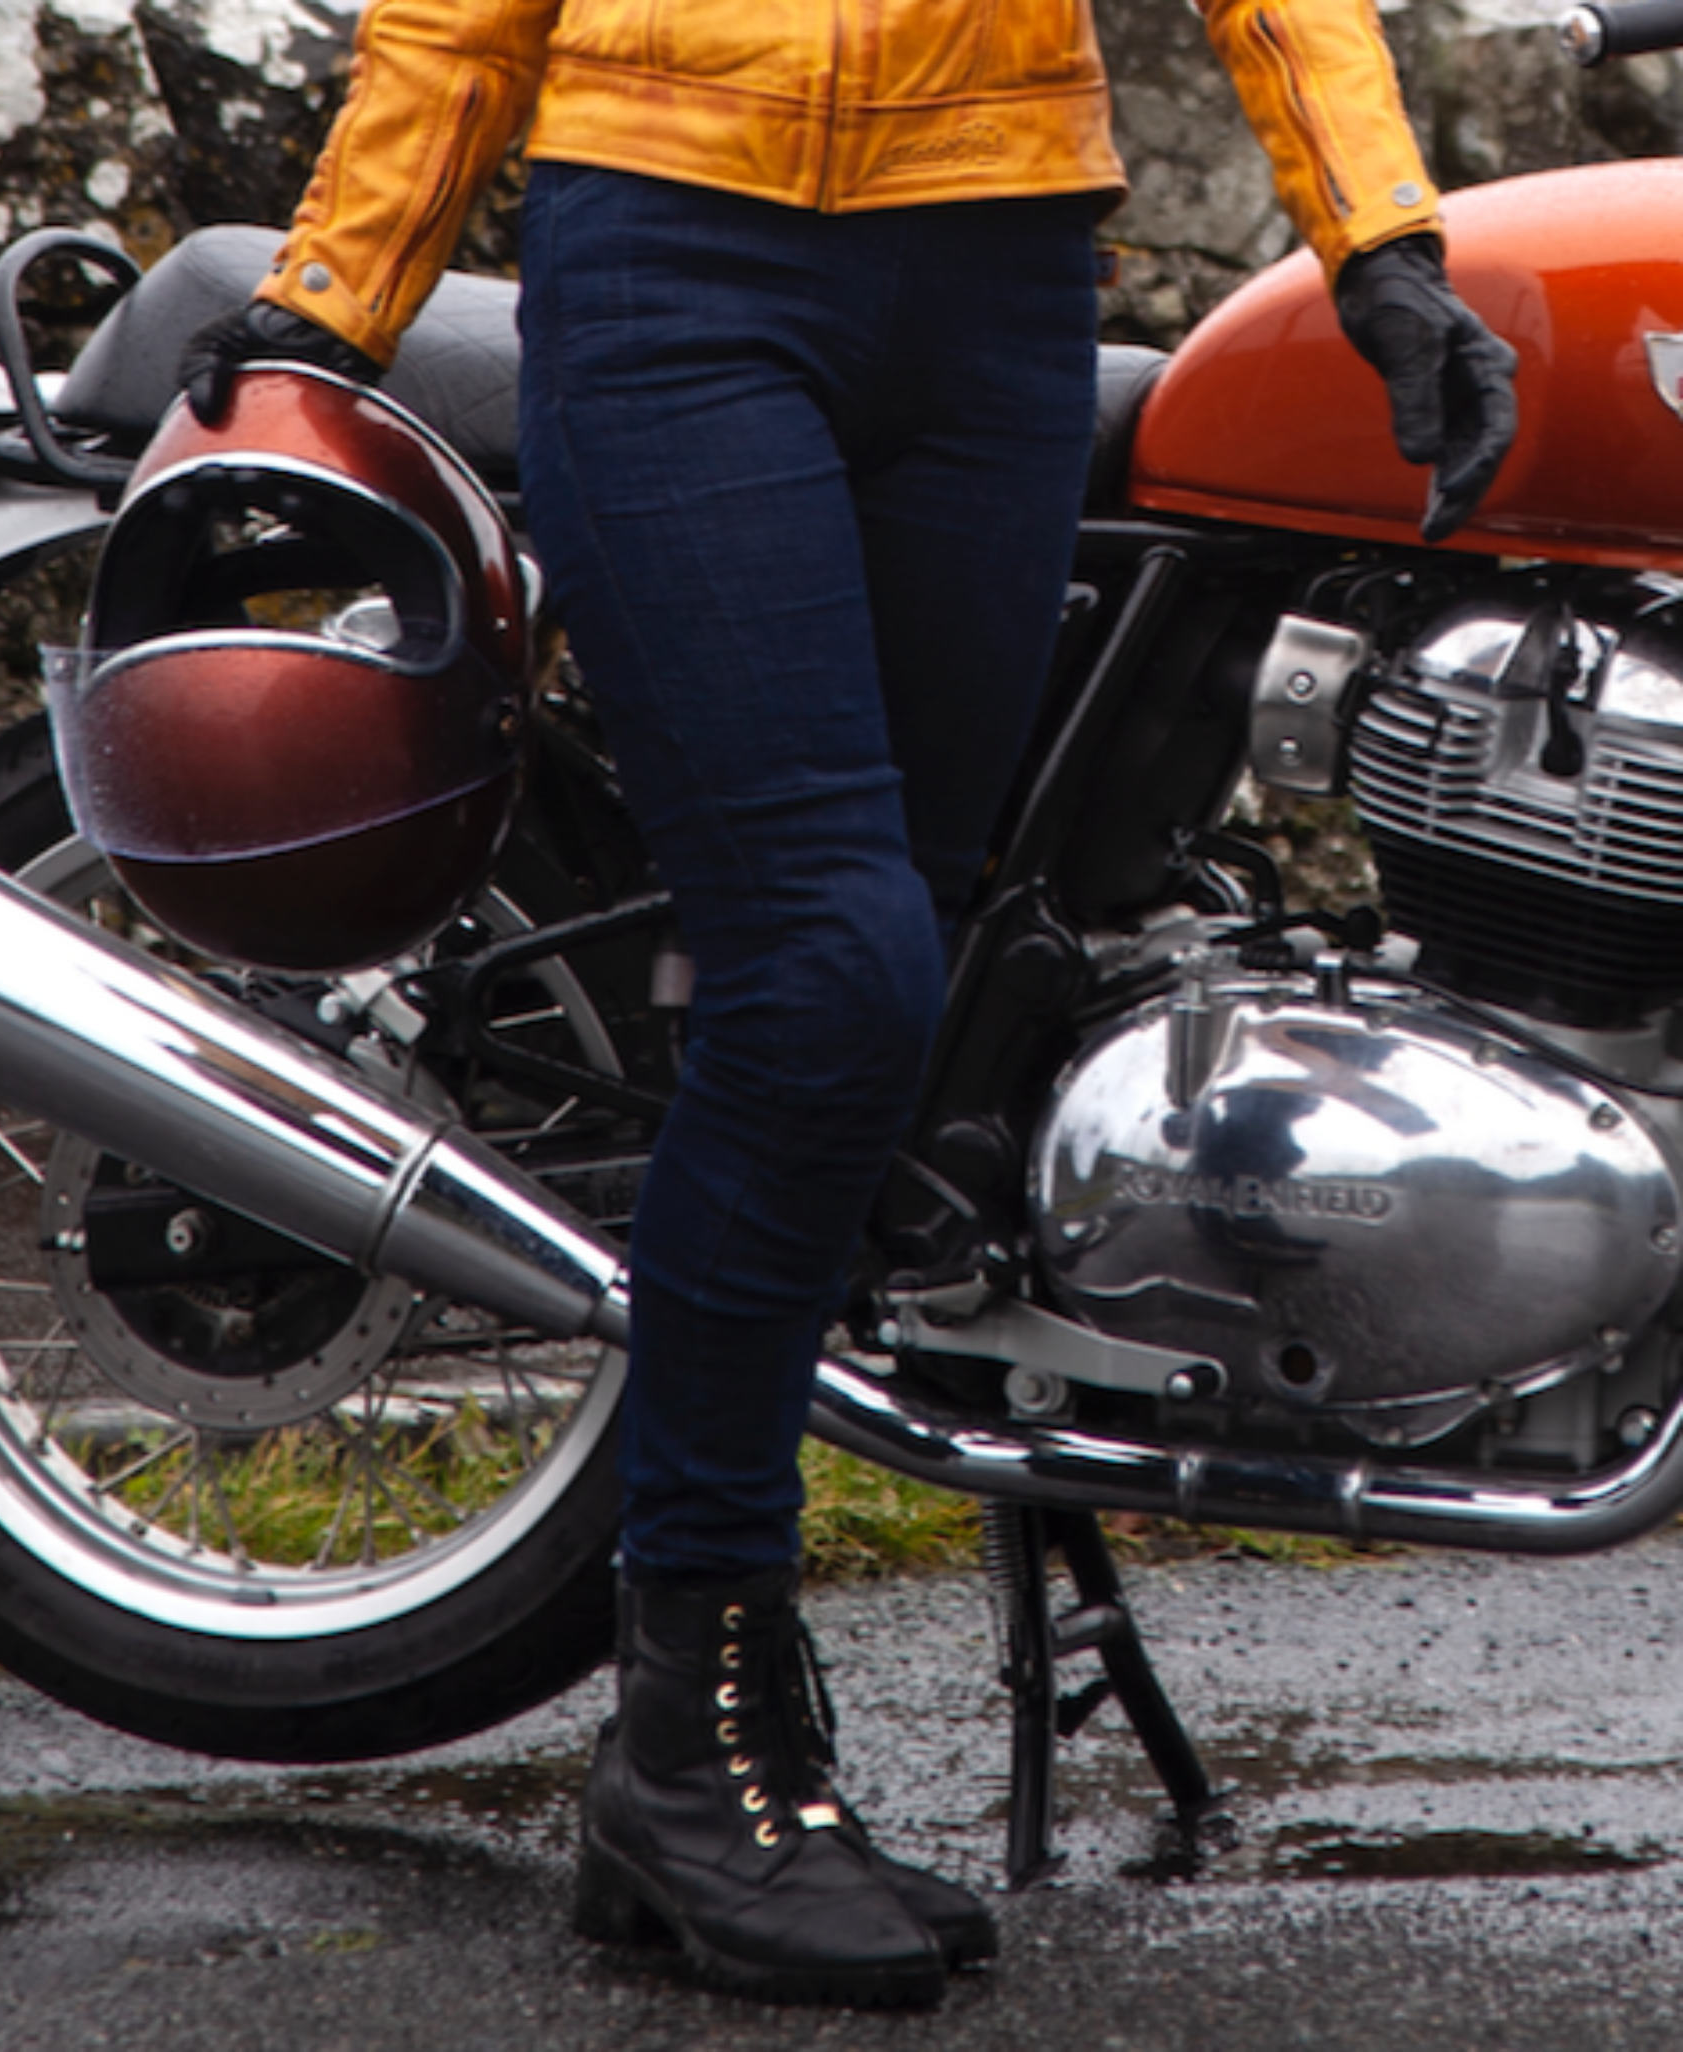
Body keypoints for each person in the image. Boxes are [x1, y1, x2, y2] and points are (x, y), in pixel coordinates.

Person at [182, 0, 1517, 2007]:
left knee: (932, 991)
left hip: (995, 284)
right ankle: (689, 1744)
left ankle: (827, 1649)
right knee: (826, 976)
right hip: (675, 257)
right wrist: (330, 310)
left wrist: (1381, 242)